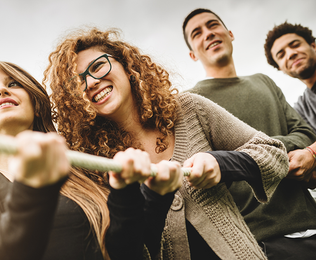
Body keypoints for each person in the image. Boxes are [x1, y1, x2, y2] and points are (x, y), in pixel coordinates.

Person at [43, 27, 289, 260]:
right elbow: (125, 249)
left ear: (126, 65)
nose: (91, 82)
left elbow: (273, 152)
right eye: (78, 82)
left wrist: (222, 164)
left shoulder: (189, 110)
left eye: (98, 66)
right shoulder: (94, 166)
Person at [0, 58, 183, 260]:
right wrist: (34, 187)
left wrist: (148, 195)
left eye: (14, 84)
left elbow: (128, 252)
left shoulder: (81, 171)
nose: (1, 90)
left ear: (35, 103)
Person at [183, 8, 316, 259]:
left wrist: (266, 151)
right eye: (197, 33)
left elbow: (305, 131)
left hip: (310, 219)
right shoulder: (192, 103)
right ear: (192, 54)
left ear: (230, 34)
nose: (208, 34)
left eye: (213, 25)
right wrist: (266, 153)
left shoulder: (263, 81)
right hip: (260, 240)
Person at [265, 22, 316, 187]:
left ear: (313, 46)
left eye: (295, 45)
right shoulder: (301, 109)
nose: (290, 54)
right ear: (280, 68)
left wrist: (312, 153)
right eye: (281, 54)